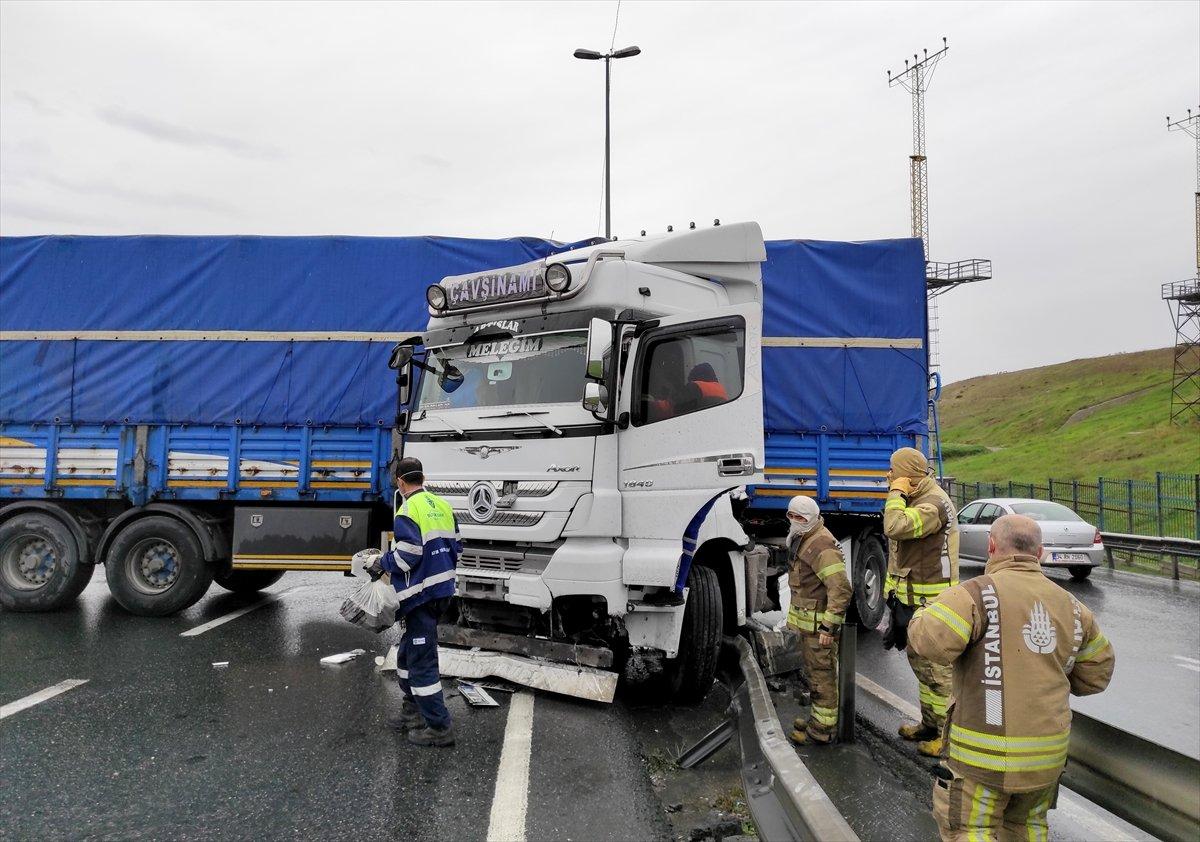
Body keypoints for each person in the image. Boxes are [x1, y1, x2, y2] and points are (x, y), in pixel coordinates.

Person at [908, 514, 1114, 842]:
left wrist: (922, 611)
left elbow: (929, 642)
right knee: (1026, 830)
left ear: (992, 546)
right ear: (1040, 552)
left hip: (983, 762)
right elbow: (1096, 676)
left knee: (971, 832)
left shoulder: (975, 595)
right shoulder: (1074, 608)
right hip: (1046, 762)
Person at [364, 456, 461, 747]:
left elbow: (407, 556)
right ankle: (413, 712)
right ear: (422, 477)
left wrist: (379, 561)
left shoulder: (407, 510)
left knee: (421, 662)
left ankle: (439, 727)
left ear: (400, 482)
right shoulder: (442, 505)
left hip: (421, 596)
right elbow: (457, 544)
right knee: (406, 655)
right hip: (441, 591)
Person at [882, 446, 960, 756]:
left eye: (893, 472)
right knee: (923, 669)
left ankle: (947, 737)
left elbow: (894, 527)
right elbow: (898, 553)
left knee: (939, 674)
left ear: (908, 476)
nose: (889, 477)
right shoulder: (918, 498)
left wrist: (896, 494)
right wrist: (892, 594)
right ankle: (930, 724)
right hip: (914, 601)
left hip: (933, 605)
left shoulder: (932, 505)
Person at [784, 495, 853, 745]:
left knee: (822, 677)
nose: (794, 521)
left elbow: (841, 589)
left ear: (812, 518)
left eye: (800, 517)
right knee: (815, 676)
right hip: (809, 628)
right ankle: (817, 719)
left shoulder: (820, 545)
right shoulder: (806, 538)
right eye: (791, 516)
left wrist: (828, 626)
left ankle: (822, 731)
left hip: (818, 629)